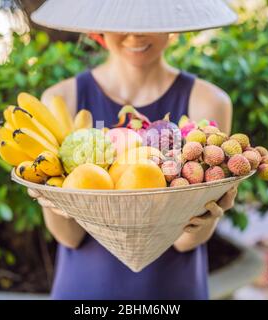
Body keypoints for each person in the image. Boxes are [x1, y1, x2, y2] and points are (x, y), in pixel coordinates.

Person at [27, 0, 239, 299]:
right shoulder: (61, 99)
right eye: (121, 19)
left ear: (172, 23)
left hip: (171, 289)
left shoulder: (209, 102)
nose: (135, 35)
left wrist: (210, 212)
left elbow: (186, 242)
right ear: (97, 25)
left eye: (148, 19)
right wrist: (51, 199)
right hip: (86, 288)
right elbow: (69, 237)